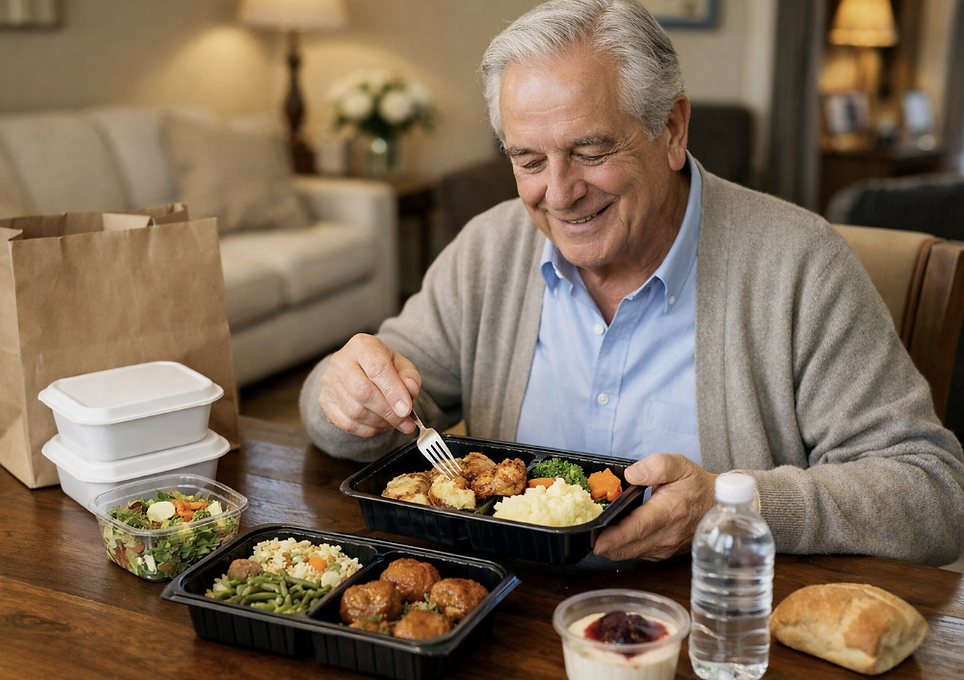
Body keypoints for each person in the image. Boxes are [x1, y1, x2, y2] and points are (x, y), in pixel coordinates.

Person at [301, 0, 964, 566]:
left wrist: (734, 505)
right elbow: (355, 411)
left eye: (591, 152)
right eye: (529, 159)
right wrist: (344, 394)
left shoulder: (799, 265)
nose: (559, 194)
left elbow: (932, 493)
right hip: (504, 617)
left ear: (672, 130)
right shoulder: (490, 247)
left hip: (713, 628)